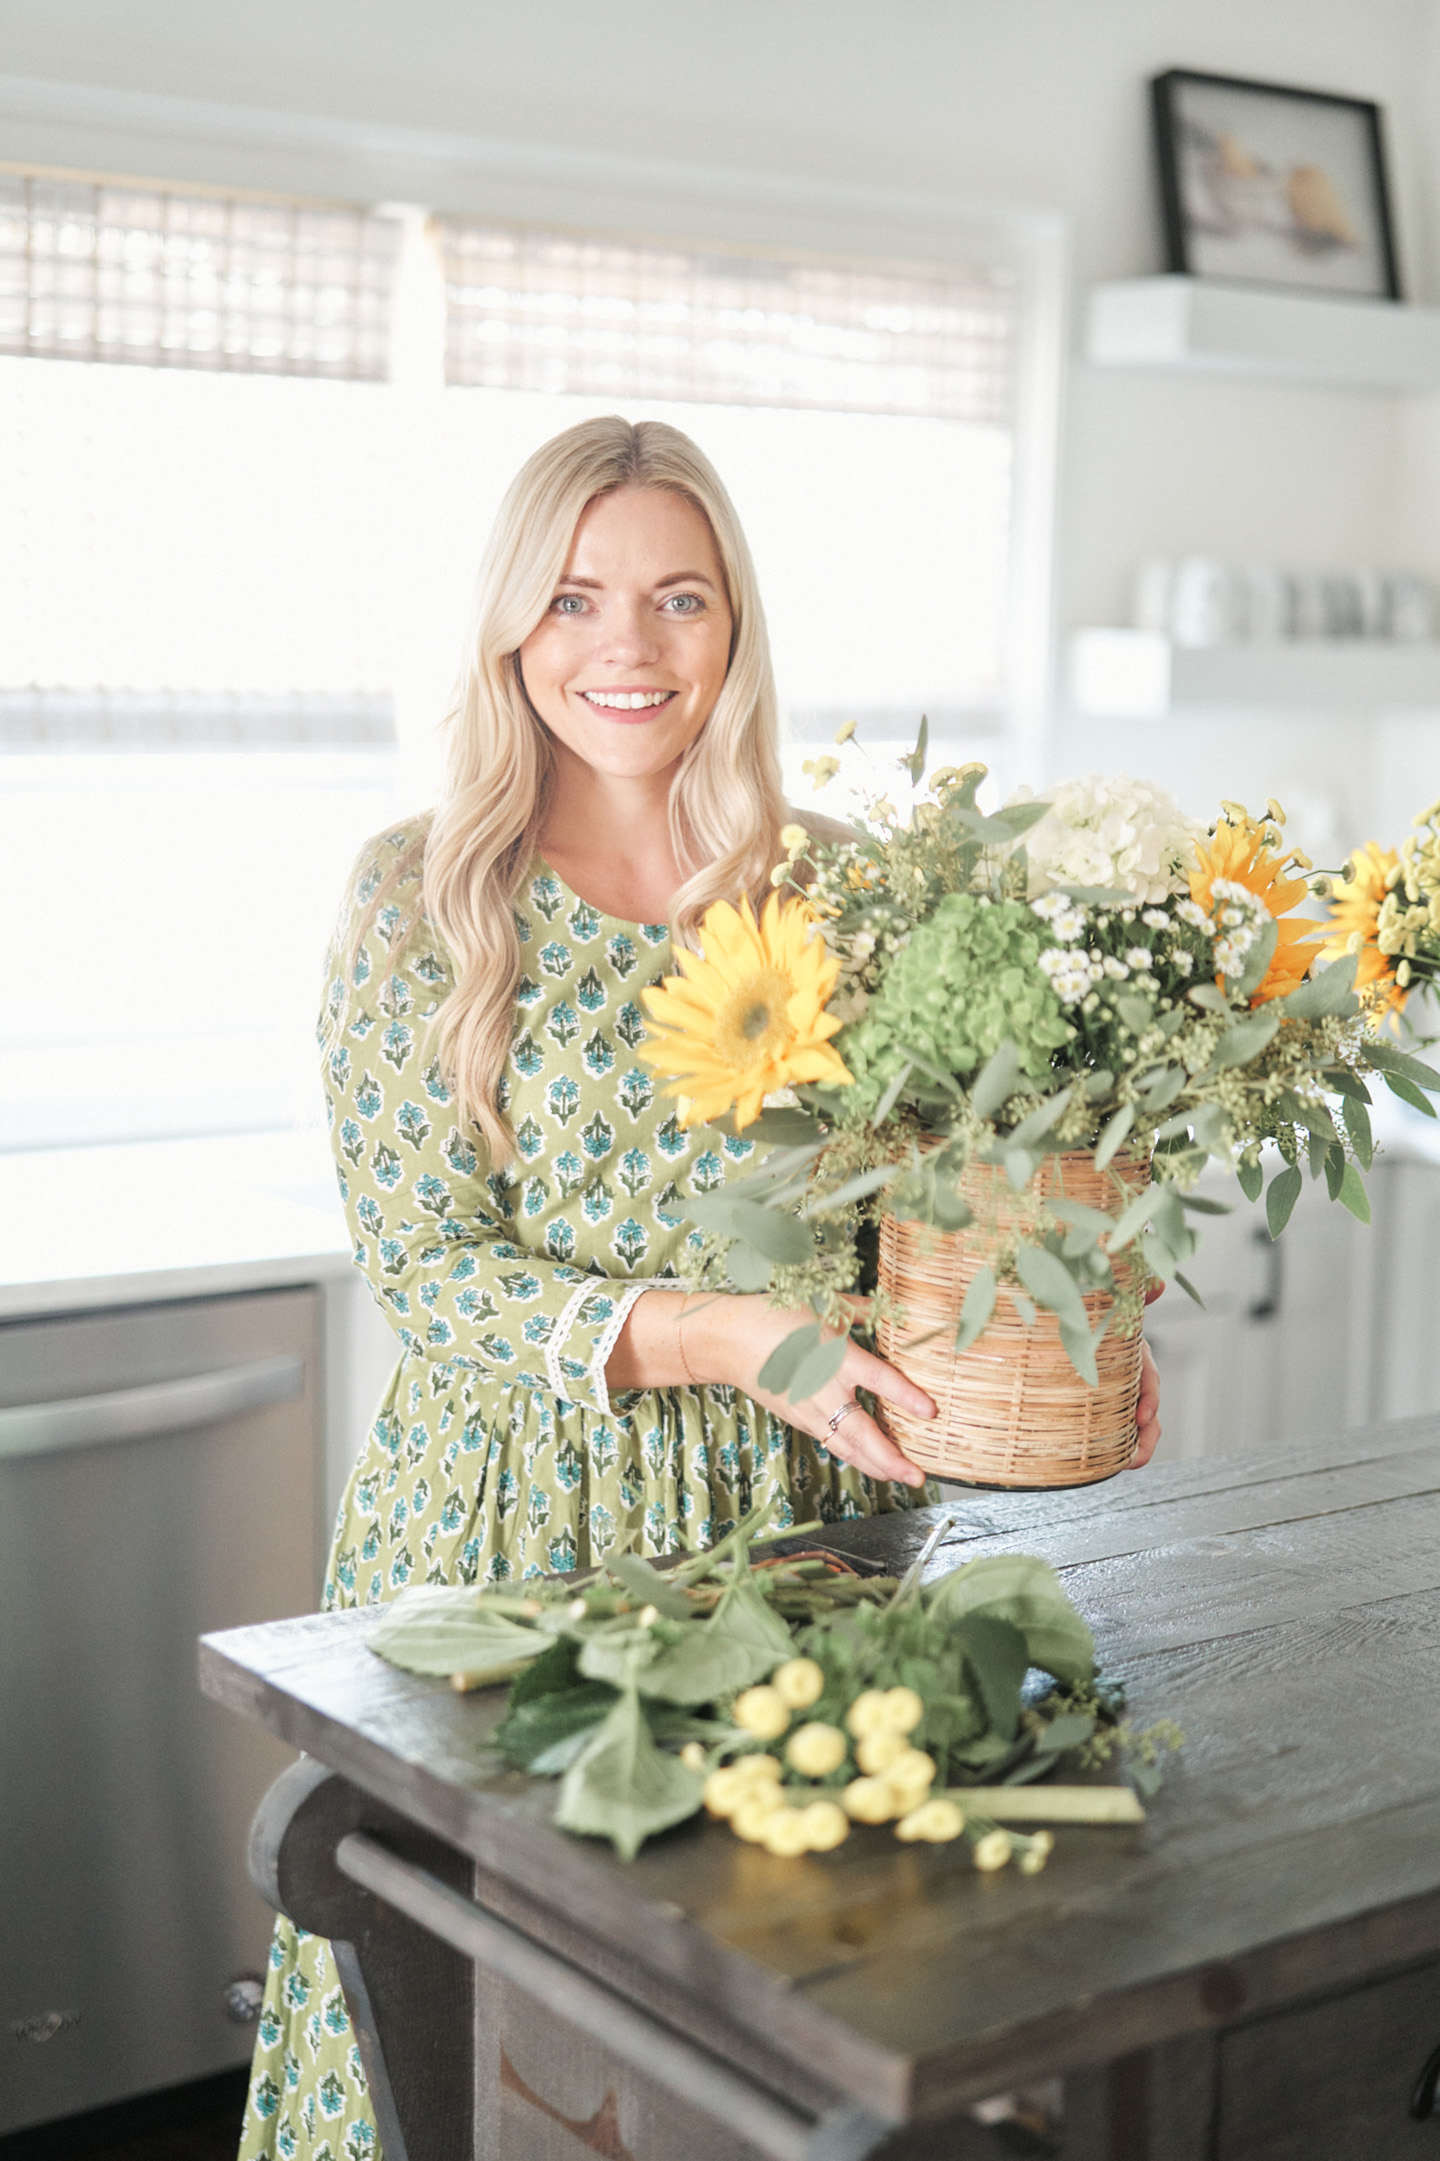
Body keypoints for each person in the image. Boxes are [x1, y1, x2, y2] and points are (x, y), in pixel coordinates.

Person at [238, 415, 1161, 2160]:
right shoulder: (421, 896)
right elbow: (431, 1277)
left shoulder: (841, 889)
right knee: (488, 2041)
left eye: (678, 596)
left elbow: (939, 1192)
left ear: (734, 624)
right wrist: (739, 1335)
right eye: (575, 599)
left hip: (804, 1521)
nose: (628, 648)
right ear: (513, 628)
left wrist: (1065, 1307)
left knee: (775, 2024)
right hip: (513, 1530)